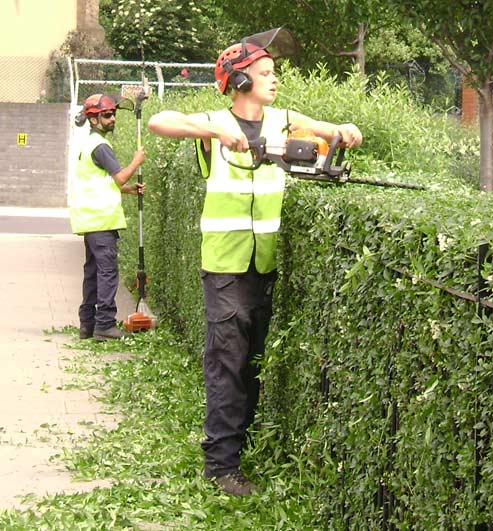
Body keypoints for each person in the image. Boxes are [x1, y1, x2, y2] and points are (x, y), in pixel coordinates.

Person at [147, 28, 362, 497]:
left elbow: (327, 129)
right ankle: (221, 466)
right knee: (226, 362)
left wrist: (344, 132)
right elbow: (159, 121)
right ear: (239, 81)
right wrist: (214, 129)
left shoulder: (282, 121)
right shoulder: (212, 122)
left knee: (251, 364)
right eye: (265, 73)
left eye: (273, 73)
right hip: (224, 266)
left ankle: (236, 449)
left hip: (263, 265)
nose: (274, 80)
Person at [69, 94, 145, 341]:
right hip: (102, 220)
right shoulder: (101, 146)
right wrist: (136, 161)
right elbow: (119, 176)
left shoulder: (87, 144)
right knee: (107, 273)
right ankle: (104, 324)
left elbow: (101, 182)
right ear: (93, 119)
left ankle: (87, 324)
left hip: (90, 219)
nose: (113, 119)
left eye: (113, 114)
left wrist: (127, 190)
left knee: (92, 272)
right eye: (107, 115)